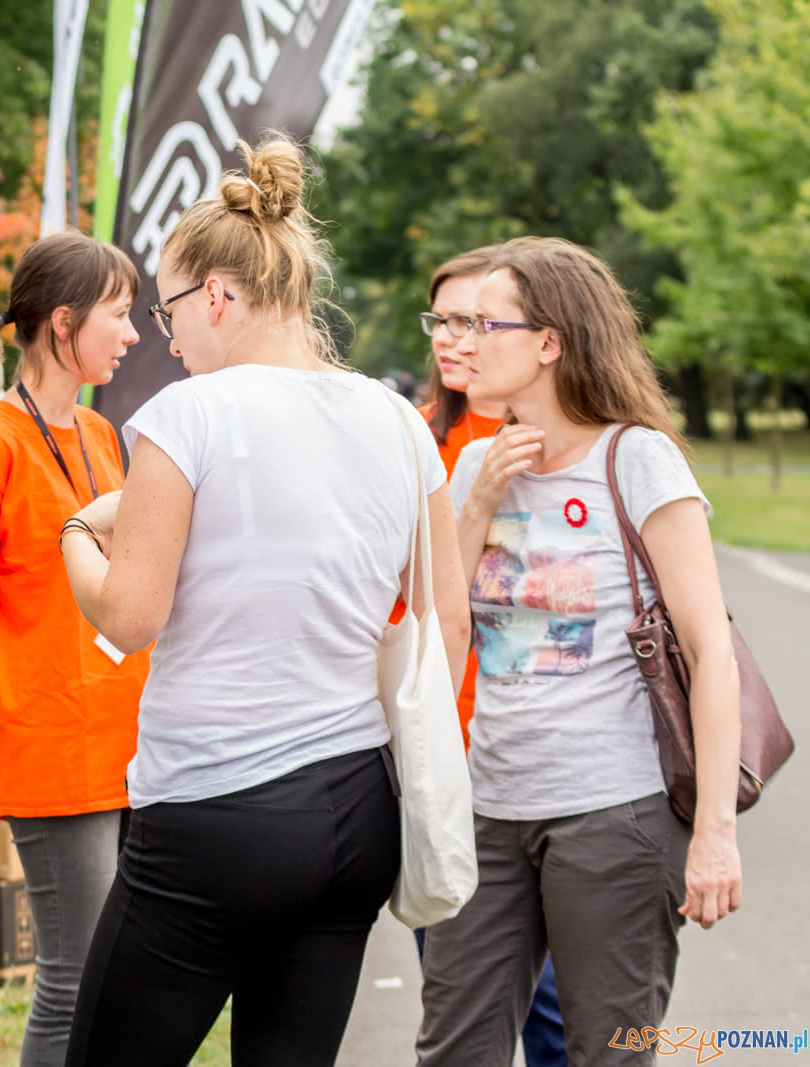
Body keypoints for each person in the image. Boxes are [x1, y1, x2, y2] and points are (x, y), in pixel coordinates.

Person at [56, 135, 469, 1065]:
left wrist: (76, 537)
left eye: (167, 312)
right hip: (357, 804)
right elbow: (448, 616)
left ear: (216, 295)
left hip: (214, 809)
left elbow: (129, 615)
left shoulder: (186, 415)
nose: (167, 338)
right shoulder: (397, 419)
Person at [417, 236, 742, 1066]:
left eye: (487, 323)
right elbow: (446, 621)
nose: (462, 340)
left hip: (614, 811)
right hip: (491, 804)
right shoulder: (482, 463)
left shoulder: (636, 459)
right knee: (454, 1048)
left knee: (608, 1051)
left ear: (550, 342)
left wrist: (713, 834)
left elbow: (710, 651)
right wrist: (479, 499)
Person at [0, 231, 149, 1067]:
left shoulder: (98, 432)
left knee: (116, 975)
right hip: (52, 754)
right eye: (119, 315)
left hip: (121, 744)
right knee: (73, 977)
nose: (132, 334)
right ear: (64, 323)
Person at [417, 247, 567, 1067]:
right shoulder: (421, 439)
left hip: (529, 753)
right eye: (441, 319)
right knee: (459, 994)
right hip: (447, 751)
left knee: (554, 1007)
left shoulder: (552, 438)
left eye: (473, 320)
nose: (453, 338)